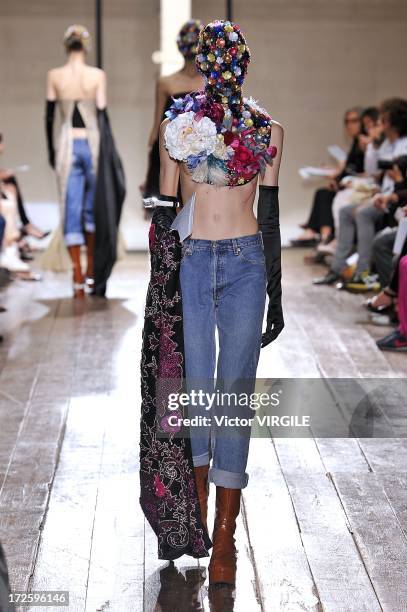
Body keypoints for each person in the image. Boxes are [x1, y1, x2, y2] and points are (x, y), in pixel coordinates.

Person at [144, 20, 284, 589]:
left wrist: (277, 289)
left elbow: (269, 212)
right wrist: (161, 286)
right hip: (196, 260)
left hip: (248, 263)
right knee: (199, 386)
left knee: (233, 393)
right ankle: (199, 516)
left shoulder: (268, 129)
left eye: (231, 59)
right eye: (217, 58)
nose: (224, 67)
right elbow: (162, 208)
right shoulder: (177, 126)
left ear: (242, 64)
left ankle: (225, 531)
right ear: (204, 63)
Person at [41, 25, 125, 297]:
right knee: (93, 208)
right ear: (85, 46)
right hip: (94, 144)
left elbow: (50, 117)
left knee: (70, 207)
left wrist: (51, 153)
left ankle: (77, 274)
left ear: (66, 46)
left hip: (66, 143)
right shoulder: (97, 76)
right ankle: (91, 271)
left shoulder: (54, 75)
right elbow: (102, 113)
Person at [314, 98, 407, 289]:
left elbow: (392, 177)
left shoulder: (403, 144)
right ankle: (337, 269)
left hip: (395, 198)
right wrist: (372, 146)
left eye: (381, 121)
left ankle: (362, 272)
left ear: (390, 121)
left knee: (362, 213)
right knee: (345, 211)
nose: (378, 126)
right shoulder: (388, 144)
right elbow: (373, 170)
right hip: (385, 195)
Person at [140, 19, 204, 218]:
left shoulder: (170, 82)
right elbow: (158, 126)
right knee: (176, 206)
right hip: (174, 151)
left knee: (190, 206)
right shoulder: (167, 82)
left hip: (201, 151)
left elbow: (155, 128)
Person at [291, 107, 365, 247]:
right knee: (323, 192)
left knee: (325, 194)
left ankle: (322, 237)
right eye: (347, 121)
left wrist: (339, 176)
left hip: (360, 188)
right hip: (351, 185)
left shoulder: (363, 144)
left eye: (354, 121)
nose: (350, 125)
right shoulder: (356, 144)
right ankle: (317, 233)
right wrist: (337, 175)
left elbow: (362, 171)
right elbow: (351, 170)